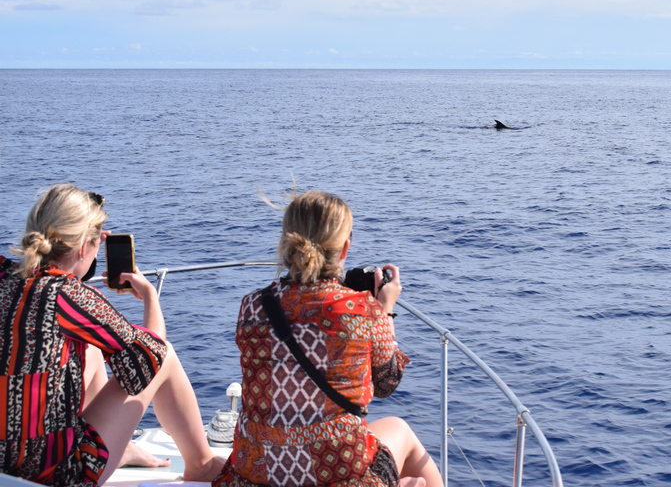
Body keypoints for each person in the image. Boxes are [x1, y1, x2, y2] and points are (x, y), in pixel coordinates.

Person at [213, 190, 442, 487]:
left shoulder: (252, 306)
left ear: (286, 244)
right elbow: (387, 382)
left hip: (257, 475)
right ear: (345, 249)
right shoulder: (362, 310)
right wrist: (385, 309)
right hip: (341, 476)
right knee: (402, 432)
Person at [0, 184, 225, 486]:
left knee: (90, 347)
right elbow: (152, 356)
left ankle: (122, 447)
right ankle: (201, 464)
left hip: (3, 465)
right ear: (84, 247)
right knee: (166, 354)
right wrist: (149, 299)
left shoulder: (5, 275)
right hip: (52, 474)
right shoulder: (70, 296)